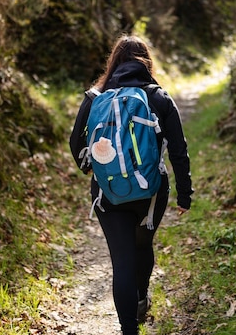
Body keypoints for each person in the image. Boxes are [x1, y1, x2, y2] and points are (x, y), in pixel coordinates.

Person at [69, 35, 194, 335]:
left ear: (114, 62)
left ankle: (128, 331)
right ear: (146, 61)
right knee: (143, 245)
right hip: (151, 192)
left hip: (107, 193)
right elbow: (178, 149)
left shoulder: (95, 97)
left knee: (122, 261)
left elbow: (76, 143)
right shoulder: (159, 97)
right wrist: (184, 194)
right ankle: (141, 298)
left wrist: (92, 167)